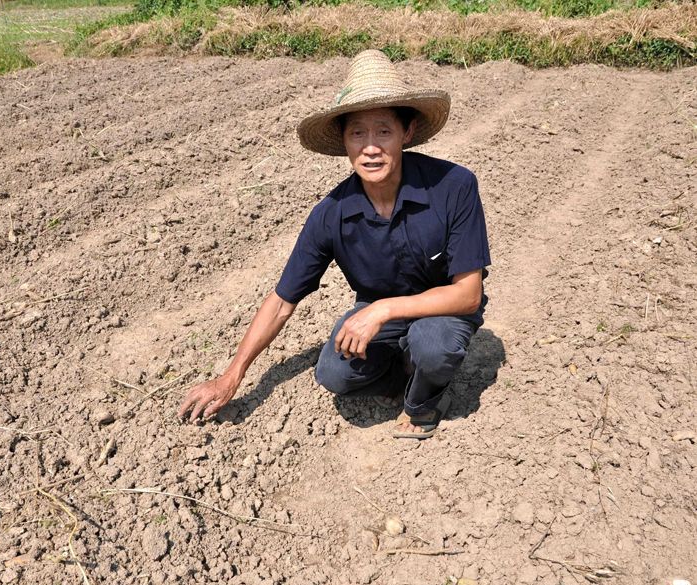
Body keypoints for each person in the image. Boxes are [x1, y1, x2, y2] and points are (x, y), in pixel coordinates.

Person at [177, 50, 490, 439]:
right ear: (344, 141)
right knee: (333, 373)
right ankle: (406, 370)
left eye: (383, 131)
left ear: (406, 133)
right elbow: (282, 302)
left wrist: (382, 309)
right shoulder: (332, 214)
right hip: (379, 315)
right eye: (358, 133)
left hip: (444, 311)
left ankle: (428, 398)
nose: (370, 147)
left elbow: (468, 295)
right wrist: (231, 375)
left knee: (433, 344)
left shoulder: (453, 186)